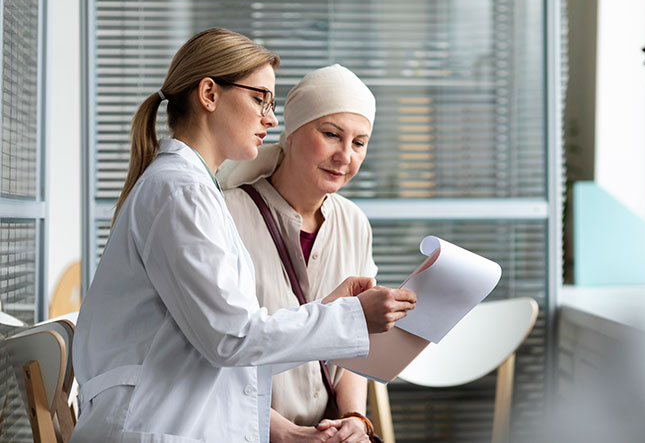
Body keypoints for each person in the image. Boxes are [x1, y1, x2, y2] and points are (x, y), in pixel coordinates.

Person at [71, 28, 416, 443]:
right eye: (260, 99)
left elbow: (228, 334)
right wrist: (351, 316)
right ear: (210, 94)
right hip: (155, 425)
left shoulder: (190, 189)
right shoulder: (182, 192)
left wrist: (331, 311)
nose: (270, 118)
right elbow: (232, 338)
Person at [218, 64, 382, 443]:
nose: (345, 156)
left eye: (359, 143)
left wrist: (354, 420)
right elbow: (215, 350)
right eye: (331, 135)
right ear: (290, 133)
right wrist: (284, 433)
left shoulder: (354, 223)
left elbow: (356, 340)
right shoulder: (226, 215)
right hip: (243, 430)